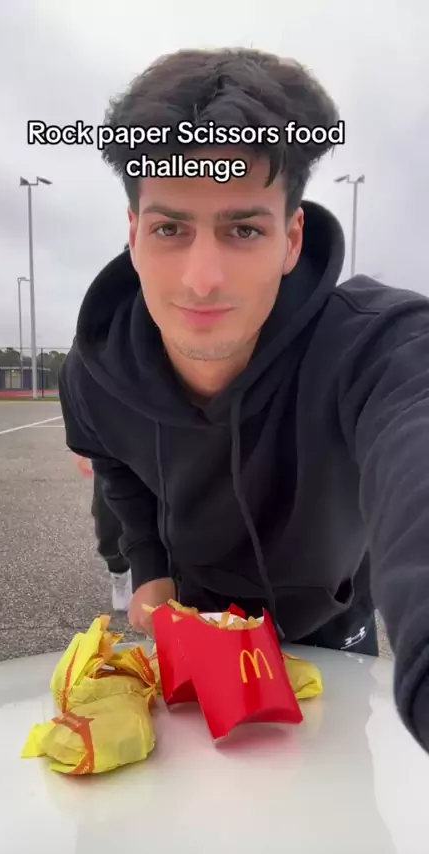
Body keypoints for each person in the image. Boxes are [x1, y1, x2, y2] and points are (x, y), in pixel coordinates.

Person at [59, 48, 429, 755]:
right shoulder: (93, 376)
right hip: (197, 625)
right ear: (133, 234)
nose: (202, 280)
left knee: (333, 791)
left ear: (291, 239)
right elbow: (116, 468)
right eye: (171, 228)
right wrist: (149, 567)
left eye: (244, 229)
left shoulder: (377, 348)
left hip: (331, 626)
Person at [74, 453, 132, 611]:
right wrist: (80, 449)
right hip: (111, 447)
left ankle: (158, 577)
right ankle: (119, 571)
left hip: (162, 444)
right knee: (108, 520)